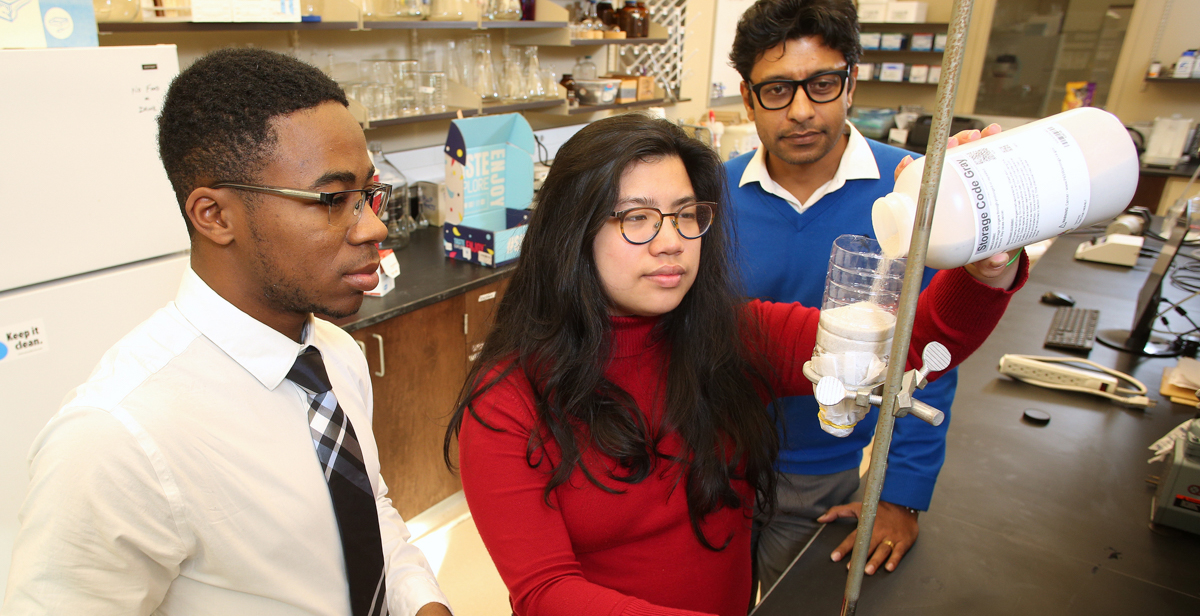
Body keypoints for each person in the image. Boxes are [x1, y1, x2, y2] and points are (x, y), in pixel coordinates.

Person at [444, 113, 1027, 616]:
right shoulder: (507, 401)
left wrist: (986, 266)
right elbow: (547, 593)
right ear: (572, 233)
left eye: (684, 214)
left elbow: (913, 347)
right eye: (637, 218)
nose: (671, 241)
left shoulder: (732, 334)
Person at [2, 49, 451, 616]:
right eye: (333, 200)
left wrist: (421, 603)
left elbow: (367, 511)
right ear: (214, 216)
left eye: (367, 193)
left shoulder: (331, 352)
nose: (374, 224)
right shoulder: (116, 439)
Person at [725, 0, 1005, 590]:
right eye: (776, 90)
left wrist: (900, 495)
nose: (801, 111)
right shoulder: (709, 194)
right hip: (708, 465)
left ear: (851, 82)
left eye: (822, 84)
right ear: (748, 98)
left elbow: (928, 359)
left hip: (822, 476)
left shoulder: (914, 192)